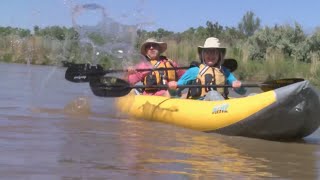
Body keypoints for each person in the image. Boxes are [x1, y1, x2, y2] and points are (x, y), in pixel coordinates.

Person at [168, 37, 246, 100]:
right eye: (208, 52)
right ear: (203, 54)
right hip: (201, 106)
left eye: (214, 52)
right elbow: (175, 94)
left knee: (253, 95)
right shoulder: (194, 71)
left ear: (219, 55)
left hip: (221, 106)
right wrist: (172, 88)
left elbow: (243, 92)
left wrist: (239, 87)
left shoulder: (224, 72)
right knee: (213, 94)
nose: (211, 55)